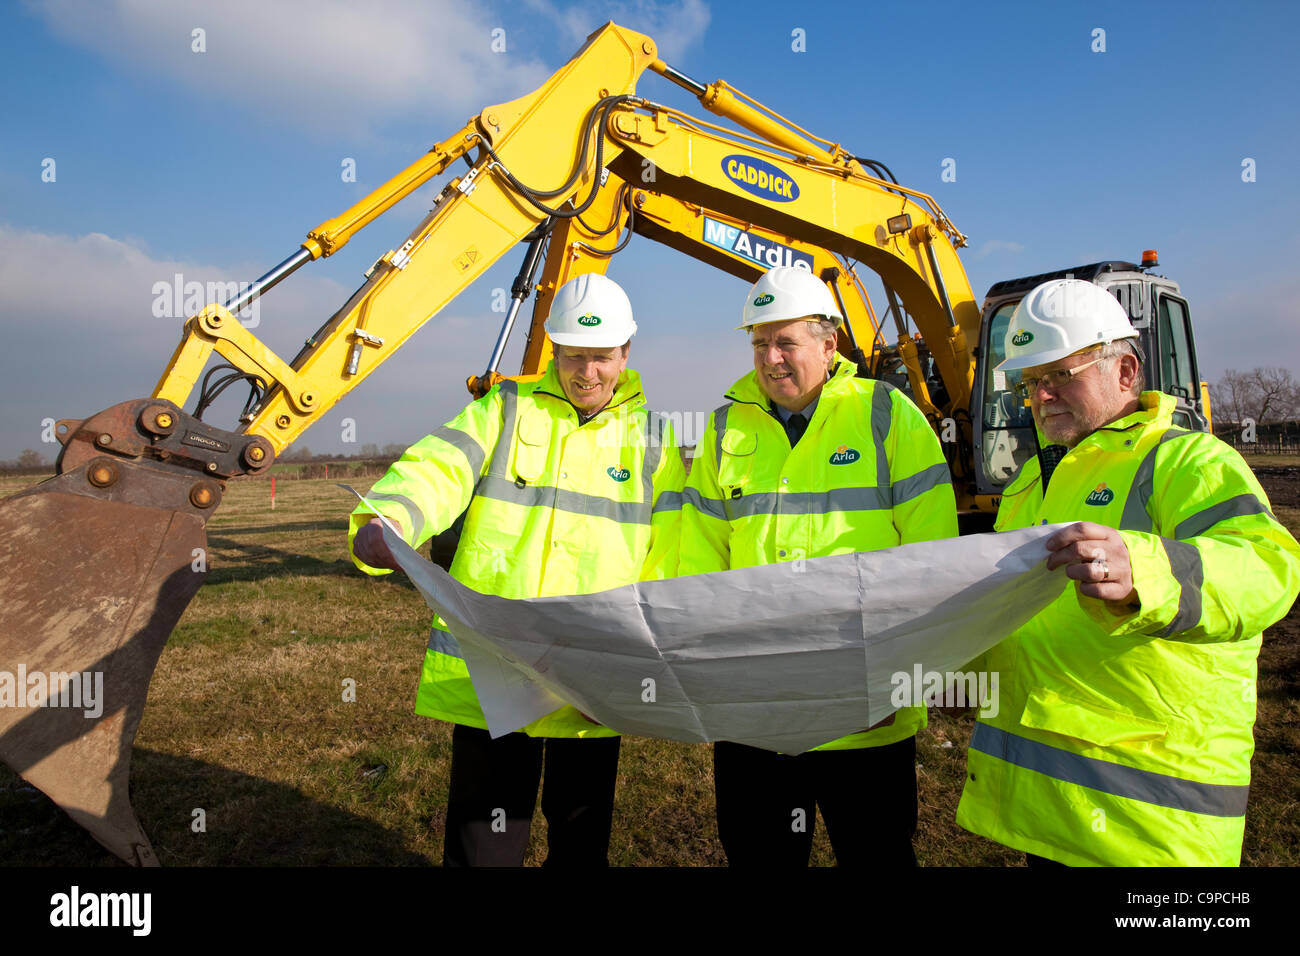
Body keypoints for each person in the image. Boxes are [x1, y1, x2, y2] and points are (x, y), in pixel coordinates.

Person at [955, 277, 1300, 866]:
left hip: (1154, 820)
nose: (1042, 396)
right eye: (1032, 382)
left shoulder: (1187, 461)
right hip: (1051, 808)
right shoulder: (1028, 486)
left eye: (1063, 374)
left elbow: (1268, 569)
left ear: (1125, 372)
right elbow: (1023, 619)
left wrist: (1144, 568)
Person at [349, 273, 684, 867]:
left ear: (626, 353)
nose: (587, 374)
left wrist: (640, 663)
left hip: (592, 678)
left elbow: (674, 556)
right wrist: (388, 518)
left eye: (602, 358)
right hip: (496, 668)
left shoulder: (655, 442)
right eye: (575, 357)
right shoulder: (502, 410)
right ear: (554, 350)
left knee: (581, 847)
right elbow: (437, 468)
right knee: (486, 848)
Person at [677, 265, 958, 866]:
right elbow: (700, 557)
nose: (771, 358)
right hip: (758, 708)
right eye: (759, 343)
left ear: (829, 345)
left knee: (877, 853)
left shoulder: (887, 415)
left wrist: (905, 670)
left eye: (786, 342)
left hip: (865, 703)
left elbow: (931, 560)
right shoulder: (726, 426)